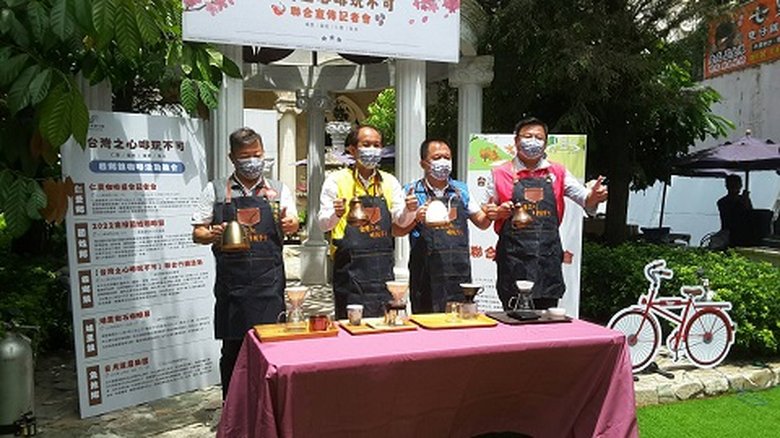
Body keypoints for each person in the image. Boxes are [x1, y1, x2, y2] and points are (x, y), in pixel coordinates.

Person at [191, 127, 298, 399]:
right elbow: (197, 232)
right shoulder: (216, 190)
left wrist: (291, 224)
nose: (253, 161)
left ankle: (269, 407)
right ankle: (233, 409)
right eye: (245, 156)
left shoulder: (278, 190)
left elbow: (293, 222)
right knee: (233, 353)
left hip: (269, 286)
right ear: (232, 157)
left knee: (271, 351)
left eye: (257, 154)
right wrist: (211, 233)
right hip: (233, 288)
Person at [482, 117, 607, 311]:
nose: (533, 141)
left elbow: (585, 199)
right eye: (527, 136)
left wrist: (595, 197)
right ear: (516, 141)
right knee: (514, 317)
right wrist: (497, 213)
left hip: (547, 258)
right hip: (513, 259)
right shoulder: (499, 173)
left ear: (545, 143)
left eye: (539, 137)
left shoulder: (558, 172)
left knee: (547, 319)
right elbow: (486, 212)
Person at [318, 125, 417, 319]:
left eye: (377, 145)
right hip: (349, 269)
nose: (372, 150)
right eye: (366, 144)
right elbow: (323, 224)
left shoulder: (389, 181)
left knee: (385, 325)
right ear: (352, 150)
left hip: (382, 268)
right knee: (351, 327)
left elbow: (401, 220)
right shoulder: (336, 180)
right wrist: (336, 214)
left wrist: (410, 210)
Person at [395, 139, 491, 313]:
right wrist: (415, 217)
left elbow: (482, 222)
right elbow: (397, 230)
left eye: (447, 157)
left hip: (457, 268)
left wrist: (492, 212)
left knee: (459, 320)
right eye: (437, 157)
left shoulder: (461, 191)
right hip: (425, 269)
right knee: (426, 319)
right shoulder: (411, 192)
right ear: (423, 163)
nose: (443, 162)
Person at [717, 174, 752, 247]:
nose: (736, 187)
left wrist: (746, 201)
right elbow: (731, 216)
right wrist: (742, 201)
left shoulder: (743, 200)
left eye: (737, 185)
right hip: (730, 235)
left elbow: (751, 215)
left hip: (744, 234)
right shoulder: (723, 202)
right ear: (727, 186)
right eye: (733, 185)